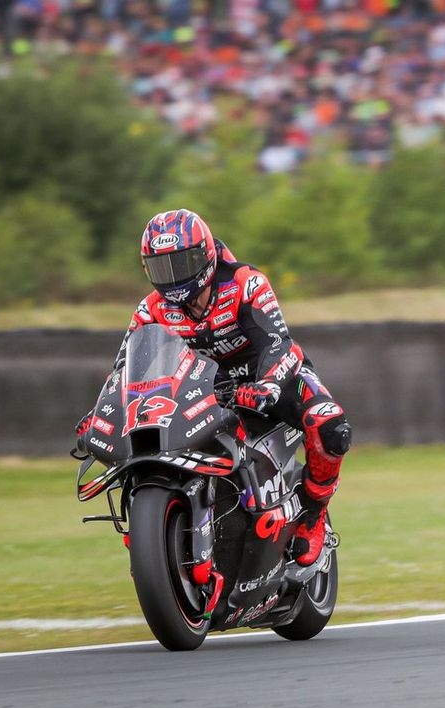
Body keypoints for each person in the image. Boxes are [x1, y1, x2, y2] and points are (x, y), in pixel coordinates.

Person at [78, 209, 351, 566]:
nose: (173, 278)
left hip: (269, 377)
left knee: (330, 424)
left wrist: (267, 384)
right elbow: (124, 370)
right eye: (162, 268)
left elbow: (278, 344)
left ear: (204, 255)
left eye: (181, 263)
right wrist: (102, 414)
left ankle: (313, 519)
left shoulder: (245, 282)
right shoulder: (151, 309)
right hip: (205, 390)